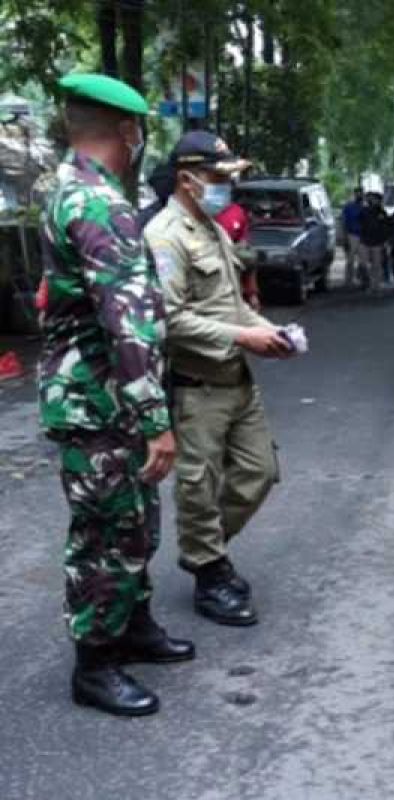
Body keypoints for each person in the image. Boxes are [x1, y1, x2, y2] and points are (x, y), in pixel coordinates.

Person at [39, 73, 192, 718]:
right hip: (100, 402)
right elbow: (124, 318)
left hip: (106, 399)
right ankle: (95, 663)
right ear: (128, 132)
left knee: (133, 519)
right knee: (105, 530)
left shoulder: (68, 190)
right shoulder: (99, 204)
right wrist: (155, 419)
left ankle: (132, 625)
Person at [144, 131, 291, 627]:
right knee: (198, 486)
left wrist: (268, 332)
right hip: (196, 384)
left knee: (259, 472)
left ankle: (204, 550)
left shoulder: (212, 229)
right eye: (218, 177)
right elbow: (170, 318)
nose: (227, 186)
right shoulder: (166, 236)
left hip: (237, 378)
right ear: (186, 180)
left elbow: (230, 304)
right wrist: (240, 336)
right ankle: (209, 571)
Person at [215, 198, 261, 311]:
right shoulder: (204, 212)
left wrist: (252, 294)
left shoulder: (237, 211)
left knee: (249, 258)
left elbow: (243, 239)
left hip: (233, 253)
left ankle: (250, 296)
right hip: (212, 253)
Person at [360, 192, 391, 290]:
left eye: (375, 199)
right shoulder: (364, 211)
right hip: (365, 240)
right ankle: (367, 282)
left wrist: (385, 240)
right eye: (372, 199)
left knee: (376, 265)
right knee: (364, 264)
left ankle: (375, 285)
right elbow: (359, 223)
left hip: (377, 242)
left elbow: (386, 227)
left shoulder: (382, 212)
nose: (373, 201)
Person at [341, 188, 364, 288]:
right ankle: (348, 280)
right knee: (350, 259)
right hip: (352, 234)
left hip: (363, 235)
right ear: (355, 194)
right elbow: (344, 222)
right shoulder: (349, 207)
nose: (359, 195)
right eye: (357, 193)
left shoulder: (365, 207)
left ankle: (362, 279)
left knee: (363, 259)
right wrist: (344, 236)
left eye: (361, 193)